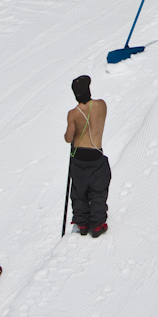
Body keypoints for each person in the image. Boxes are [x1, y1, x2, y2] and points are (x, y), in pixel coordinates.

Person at [64, 74, 110, 237]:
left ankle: (82, 223)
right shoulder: (101, 105)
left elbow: (68, 138)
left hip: (79, 156)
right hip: (96, 154)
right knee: (98, 189)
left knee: (79, 190)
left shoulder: (73, 114)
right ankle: (97, 224)